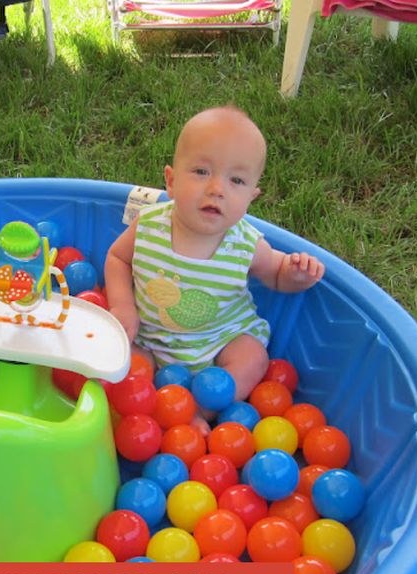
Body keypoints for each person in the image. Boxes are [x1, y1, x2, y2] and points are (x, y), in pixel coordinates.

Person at [104, 106, 325, 401]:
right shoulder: (147, 226)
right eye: (201, 171)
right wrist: (123, 306)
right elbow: (118, 259)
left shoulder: (245, 244)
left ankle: (201, 412)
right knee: (116, 358)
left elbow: (275, 273)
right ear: (171, 181)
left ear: (251, 197)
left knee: (253, 356)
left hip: (222, 341)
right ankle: (158, 409)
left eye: (236, 181)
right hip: (149, 341)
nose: (217, 188)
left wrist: (296, 273)